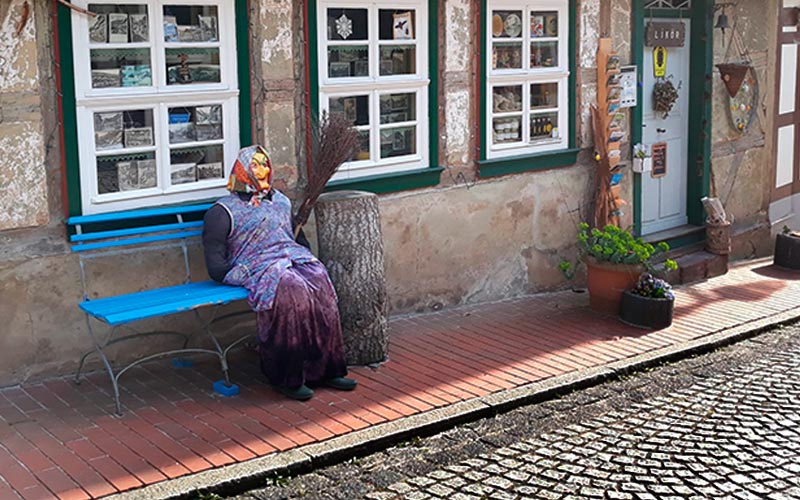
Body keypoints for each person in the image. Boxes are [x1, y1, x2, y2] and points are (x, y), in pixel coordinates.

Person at [202, 145, 356, 401]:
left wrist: (301, 255)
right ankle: (288, 377)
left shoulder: (281, 202)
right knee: (291, 289)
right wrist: (242, 275)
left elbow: (301, 241)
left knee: (320, 279)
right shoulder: (223, 212)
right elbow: (216, 265)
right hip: (257, 265)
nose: (262, 170)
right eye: (255, 164)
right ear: (241, 170)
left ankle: (327, 369)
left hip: (290, 257)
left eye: (265, 164)